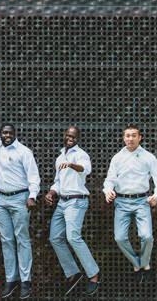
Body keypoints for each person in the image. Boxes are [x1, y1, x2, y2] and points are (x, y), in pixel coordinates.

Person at [0, 80, 40, 299]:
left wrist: (32, 196)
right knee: (6, 241)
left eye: (8, 132)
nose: (5, 135)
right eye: (3, 132)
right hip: (1, 202)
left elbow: (34, 177)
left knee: (22, 239)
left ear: (14, 133)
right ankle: (11, 280)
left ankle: (26, 281)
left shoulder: (24, 152)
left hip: (20, 199)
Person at [102, 125, 157, 281]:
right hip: (121, 202)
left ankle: (143, 263)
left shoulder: (149, 157)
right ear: (124, 138)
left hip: (141, 201)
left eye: (133, 135)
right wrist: (108, 191)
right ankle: (136, 263)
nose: (130, 138)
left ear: (140, 137)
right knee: (119, 238)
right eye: (127, 136)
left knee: (147, 236)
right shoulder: (117, 158)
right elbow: (109, 180)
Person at [45, 126, 100, 297]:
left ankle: (94, 276)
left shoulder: (80, 154)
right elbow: (58, 182)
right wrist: (51, 192)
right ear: (64, 135)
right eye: (68, 135)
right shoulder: (60, 156)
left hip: (76, 201)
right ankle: (73, 272)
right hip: (62, 202)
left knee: (73, 237)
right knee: (55, 237)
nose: (70, 138)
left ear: (78, 138)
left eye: (73, 136)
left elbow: (86, 169)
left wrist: (71, 165)